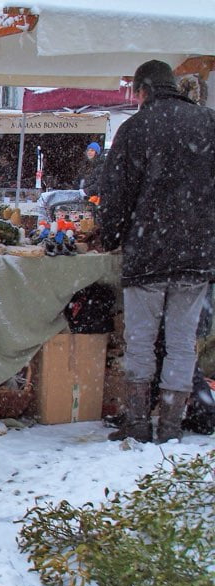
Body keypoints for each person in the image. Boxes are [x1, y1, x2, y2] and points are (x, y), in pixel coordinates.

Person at [99, 59, 215, 443]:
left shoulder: (135, 129)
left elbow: (117, 193)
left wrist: (110, 235)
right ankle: (170, 427)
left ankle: (136, 424)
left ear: (141, 90)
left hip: (148, 251)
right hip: (197, 254)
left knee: (141, 340)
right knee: (183, 342)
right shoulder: (208, 123)